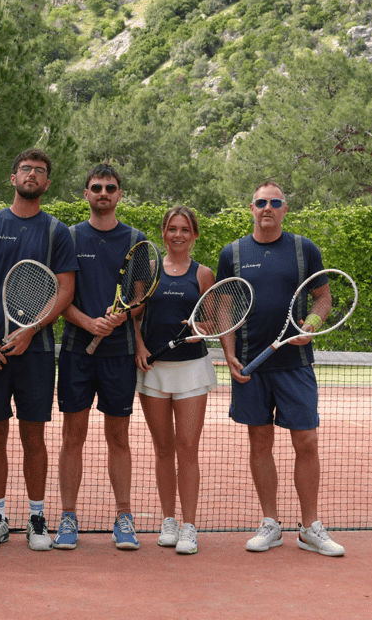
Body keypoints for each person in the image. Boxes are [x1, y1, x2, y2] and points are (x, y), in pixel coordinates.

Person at [216, 180, 345, 557]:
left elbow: (322, 297)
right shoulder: (233, 253)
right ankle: (270, 523)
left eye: (275, 202)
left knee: (306, 442)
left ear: (285, 209)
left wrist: (312, 325)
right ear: (252, 208)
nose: (267, 208)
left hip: (296, 364)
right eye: (261, 202)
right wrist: (228, 353)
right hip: (251, 365)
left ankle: (309, 528)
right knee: (259, 442)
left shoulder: (304, 249)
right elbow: (224, 305)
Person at [0, 149, 77, 551]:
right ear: (13, 178)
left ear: (47, 183)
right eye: (26, 169)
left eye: (40, 171)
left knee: (35, 438)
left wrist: (32, 329)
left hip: (38, 352)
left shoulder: (57, 232)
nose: (32, 175)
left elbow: (65, 289)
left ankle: (36, 517)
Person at [55, 164, 148, 550]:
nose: (103, 193)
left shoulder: (136, 240)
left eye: (111, 187)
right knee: (72, 436)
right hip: (78, 351)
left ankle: (124, 517)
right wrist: (87, 322)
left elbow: (140, 297)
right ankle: (68, 517)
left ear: (120, 194)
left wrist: (122, 316)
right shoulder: (69, 237)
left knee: (118, 438)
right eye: (96, 187)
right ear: (86, 194)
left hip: (119, 355)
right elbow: (60, 297)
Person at [133, 205, 218, 555]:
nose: (178, 235)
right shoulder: (150, 271)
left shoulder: (203, 274)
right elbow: (134, 316)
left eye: (185, 229)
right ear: (164, 233)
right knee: (163, 449)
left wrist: (200, 331)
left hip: (192, 371)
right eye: (172, 228)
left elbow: (213, 322)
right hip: (152, 370)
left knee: (187, 449)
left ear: (194, 235)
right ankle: (168, 520)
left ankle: (189, 526)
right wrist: (138, 347)